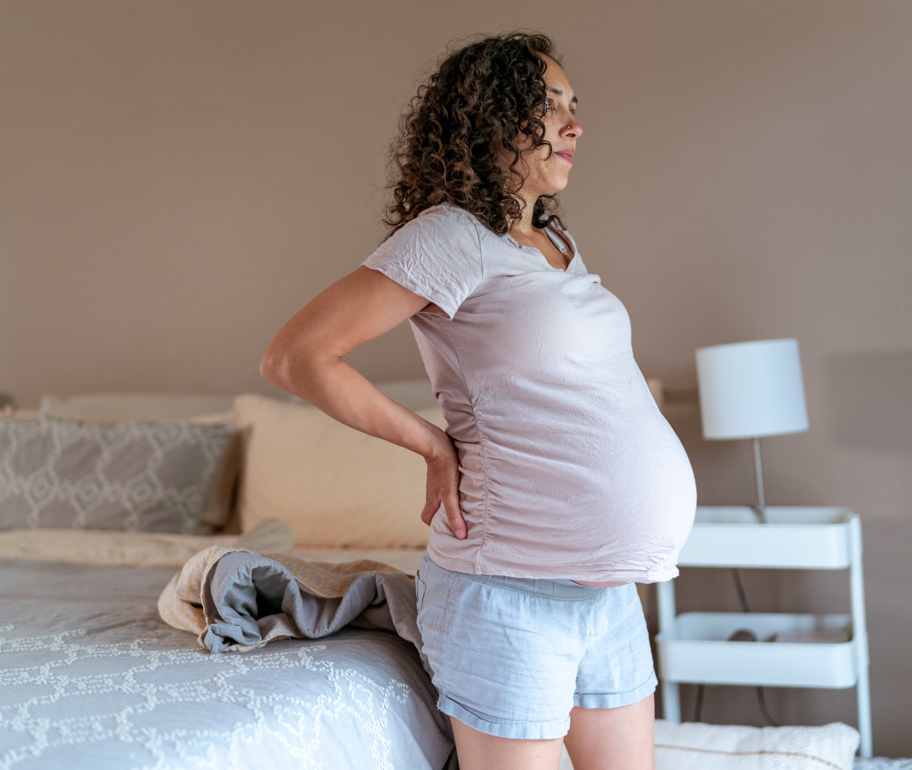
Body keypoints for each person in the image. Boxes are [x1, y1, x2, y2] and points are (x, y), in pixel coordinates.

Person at [260, 31, 697, 770]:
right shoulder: (450, 236)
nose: (573, 124)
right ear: (493, 119)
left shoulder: (550, 238)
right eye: (548, 105)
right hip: (507, 596)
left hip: (608, 597)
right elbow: (295, 357)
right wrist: (431, 444)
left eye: (574, 107)